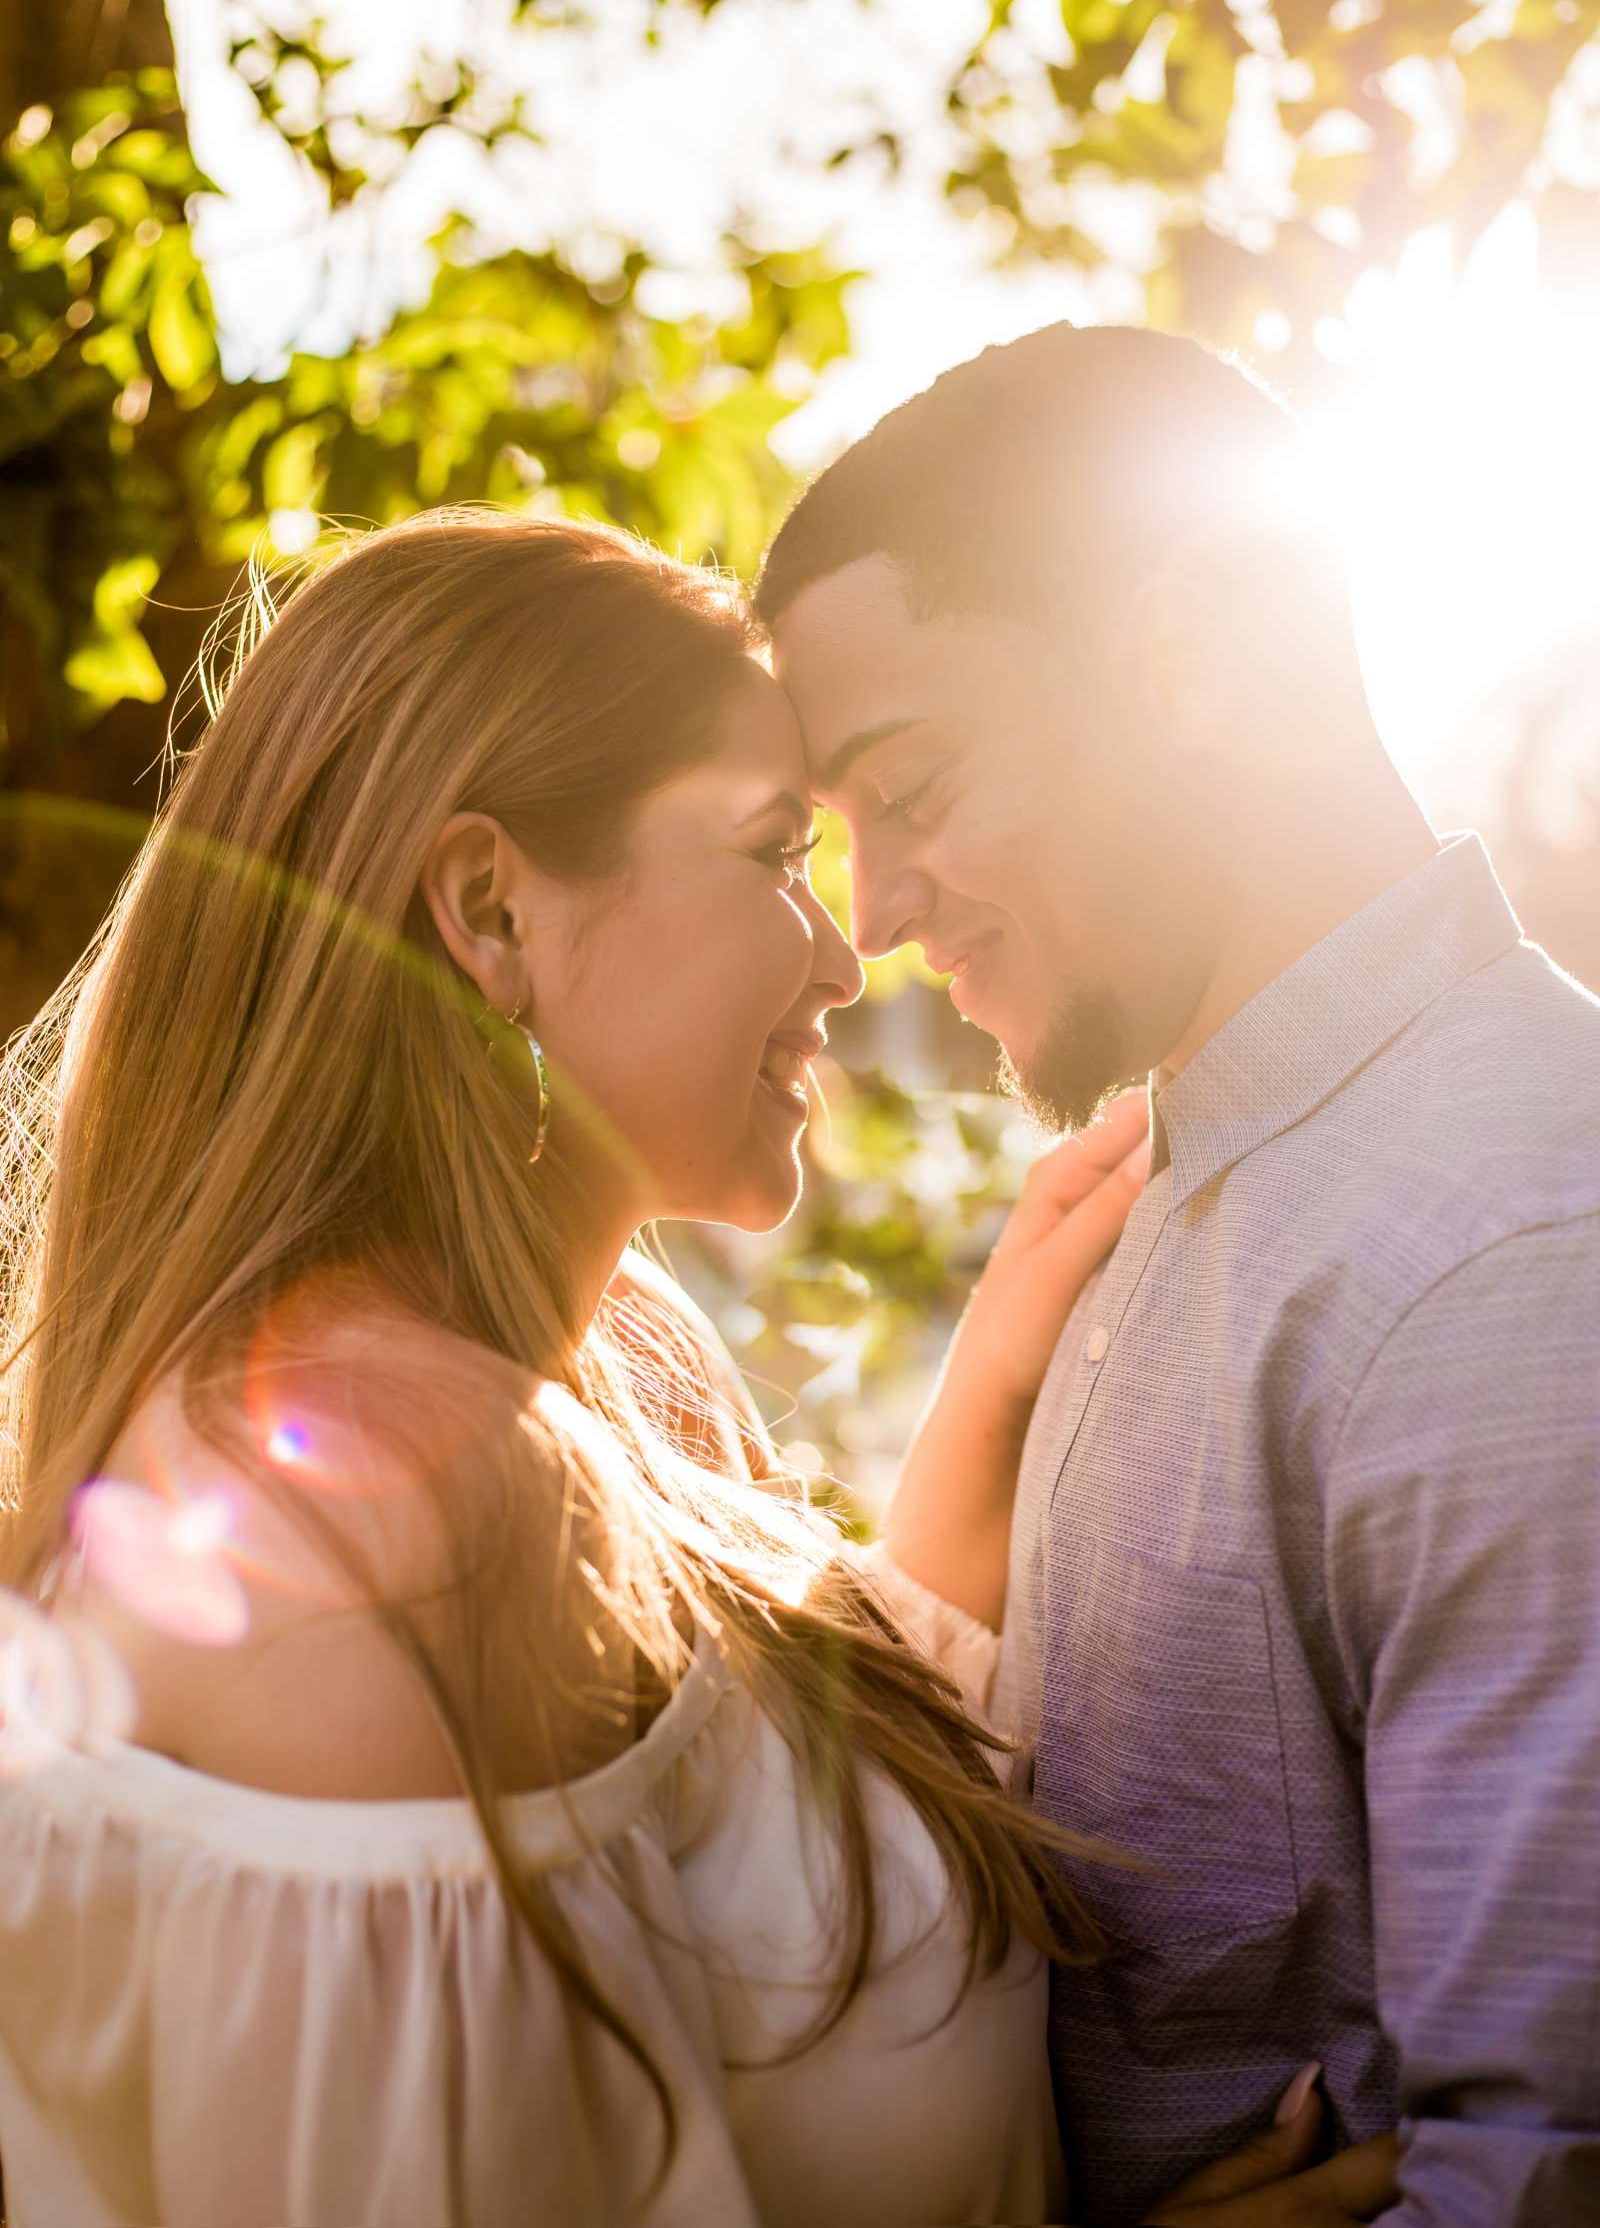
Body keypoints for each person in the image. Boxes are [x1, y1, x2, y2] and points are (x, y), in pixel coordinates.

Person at [0, 510, 1397, 2228]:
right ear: (490, 908)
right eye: (772, 855)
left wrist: (989, 1402)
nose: (848, 952)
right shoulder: (361, 1515)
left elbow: (756, 1862)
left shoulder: (607, 1382)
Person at [757, 322, 1600, 2228]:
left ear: (1193, 663)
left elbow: (1539, 2177)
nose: (870, 911)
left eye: (909, 783)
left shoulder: (1511, 1256)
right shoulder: (1179, 1182)